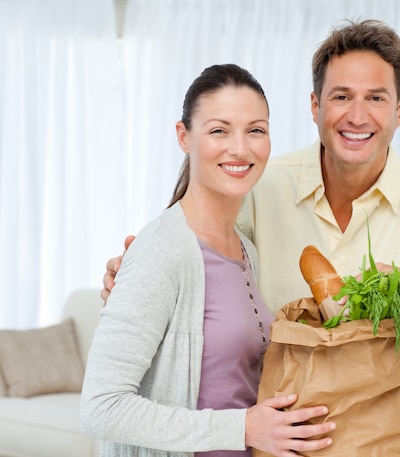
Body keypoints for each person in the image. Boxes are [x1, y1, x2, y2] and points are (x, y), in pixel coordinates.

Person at [104, 19, 400, 384]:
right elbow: (194, 261)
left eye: (376, 99)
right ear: (315, 107)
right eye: (341, 96)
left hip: (382, 439)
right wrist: (138, 277)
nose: (357, 117)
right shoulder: (258, 187)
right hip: (271, 438)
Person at [81, 64, 336, 457]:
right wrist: (243, 427)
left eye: (256, 130)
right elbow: (101, 407)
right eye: (219, 130)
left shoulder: (245, 249)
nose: (240, 147)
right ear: (185, 136)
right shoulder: (162, 251)